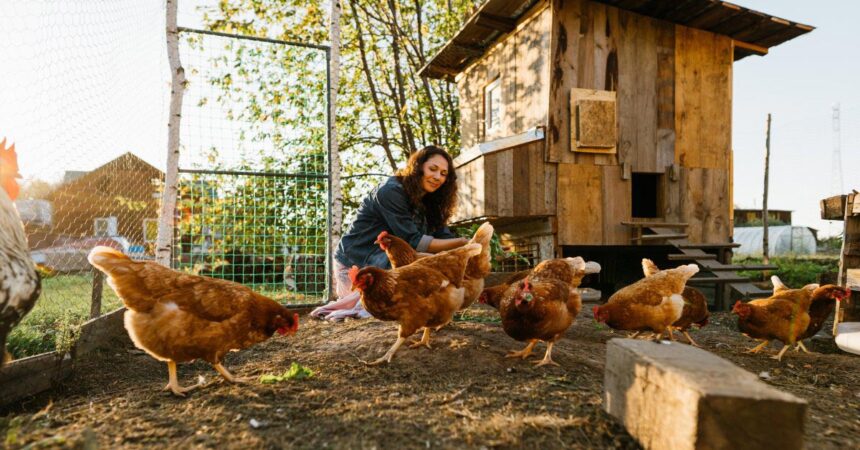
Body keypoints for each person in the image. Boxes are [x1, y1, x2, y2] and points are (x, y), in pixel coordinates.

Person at [311, 145, 468, 320]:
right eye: (433, 169)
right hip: (355, 267)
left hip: (383, 265)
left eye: (444, 174)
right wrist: (462, 244)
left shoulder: (430, 201)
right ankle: (345, 307)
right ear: (418, 167)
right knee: (409, 263)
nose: (438, 177)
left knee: (419, 265)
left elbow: (442, 235)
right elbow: (414, 241)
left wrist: (463, 252)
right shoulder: (391, 191)